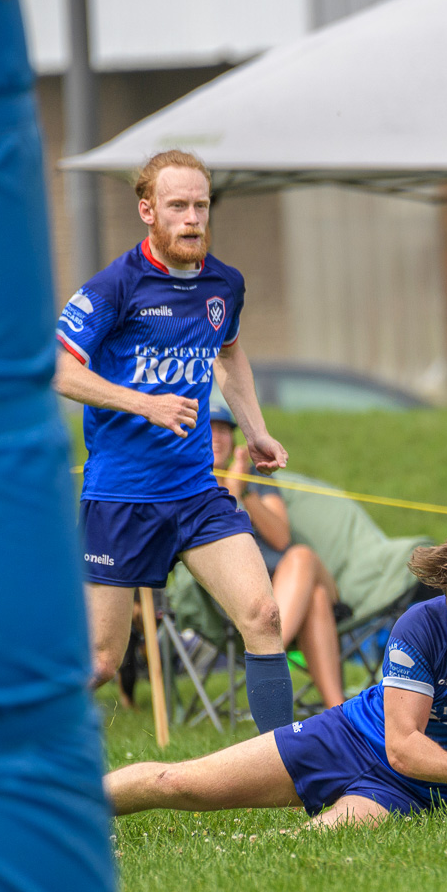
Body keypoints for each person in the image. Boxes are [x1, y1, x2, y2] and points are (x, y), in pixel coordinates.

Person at [105, 535, 447, 826]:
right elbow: (403, 747)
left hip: (417, 792)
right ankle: (55, 808)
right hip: (347, 739)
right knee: (182, 783)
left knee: (296, 852)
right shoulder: (421, 625)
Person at [54, 149, 294, 733]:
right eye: (177, 206)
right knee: (102, 662)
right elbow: (59, 369)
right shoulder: (116, 285)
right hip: (122, 498)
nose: (192, 218)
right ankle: (3, 736)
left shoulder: (224, 285)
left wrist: (257, 431)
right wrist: (144, 403)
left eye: (200, 206)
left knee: (262, 614)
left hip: (195, 492)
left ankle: (288, 772)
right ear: (148, 211)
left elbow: (231, 357)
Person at [209, 402, 345, 707]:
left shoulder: (257, 478)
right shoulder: (193, 484)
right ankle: (338, 710)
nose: (217, 437)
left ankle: (267, 653)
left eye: (223, 430)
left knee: (301, 557)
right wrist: (229, 493)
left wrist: (245, 491)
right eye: (209, 429)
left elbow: (281, 537)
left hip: (291, 577)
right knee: (317, 598)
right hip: (243, 594)